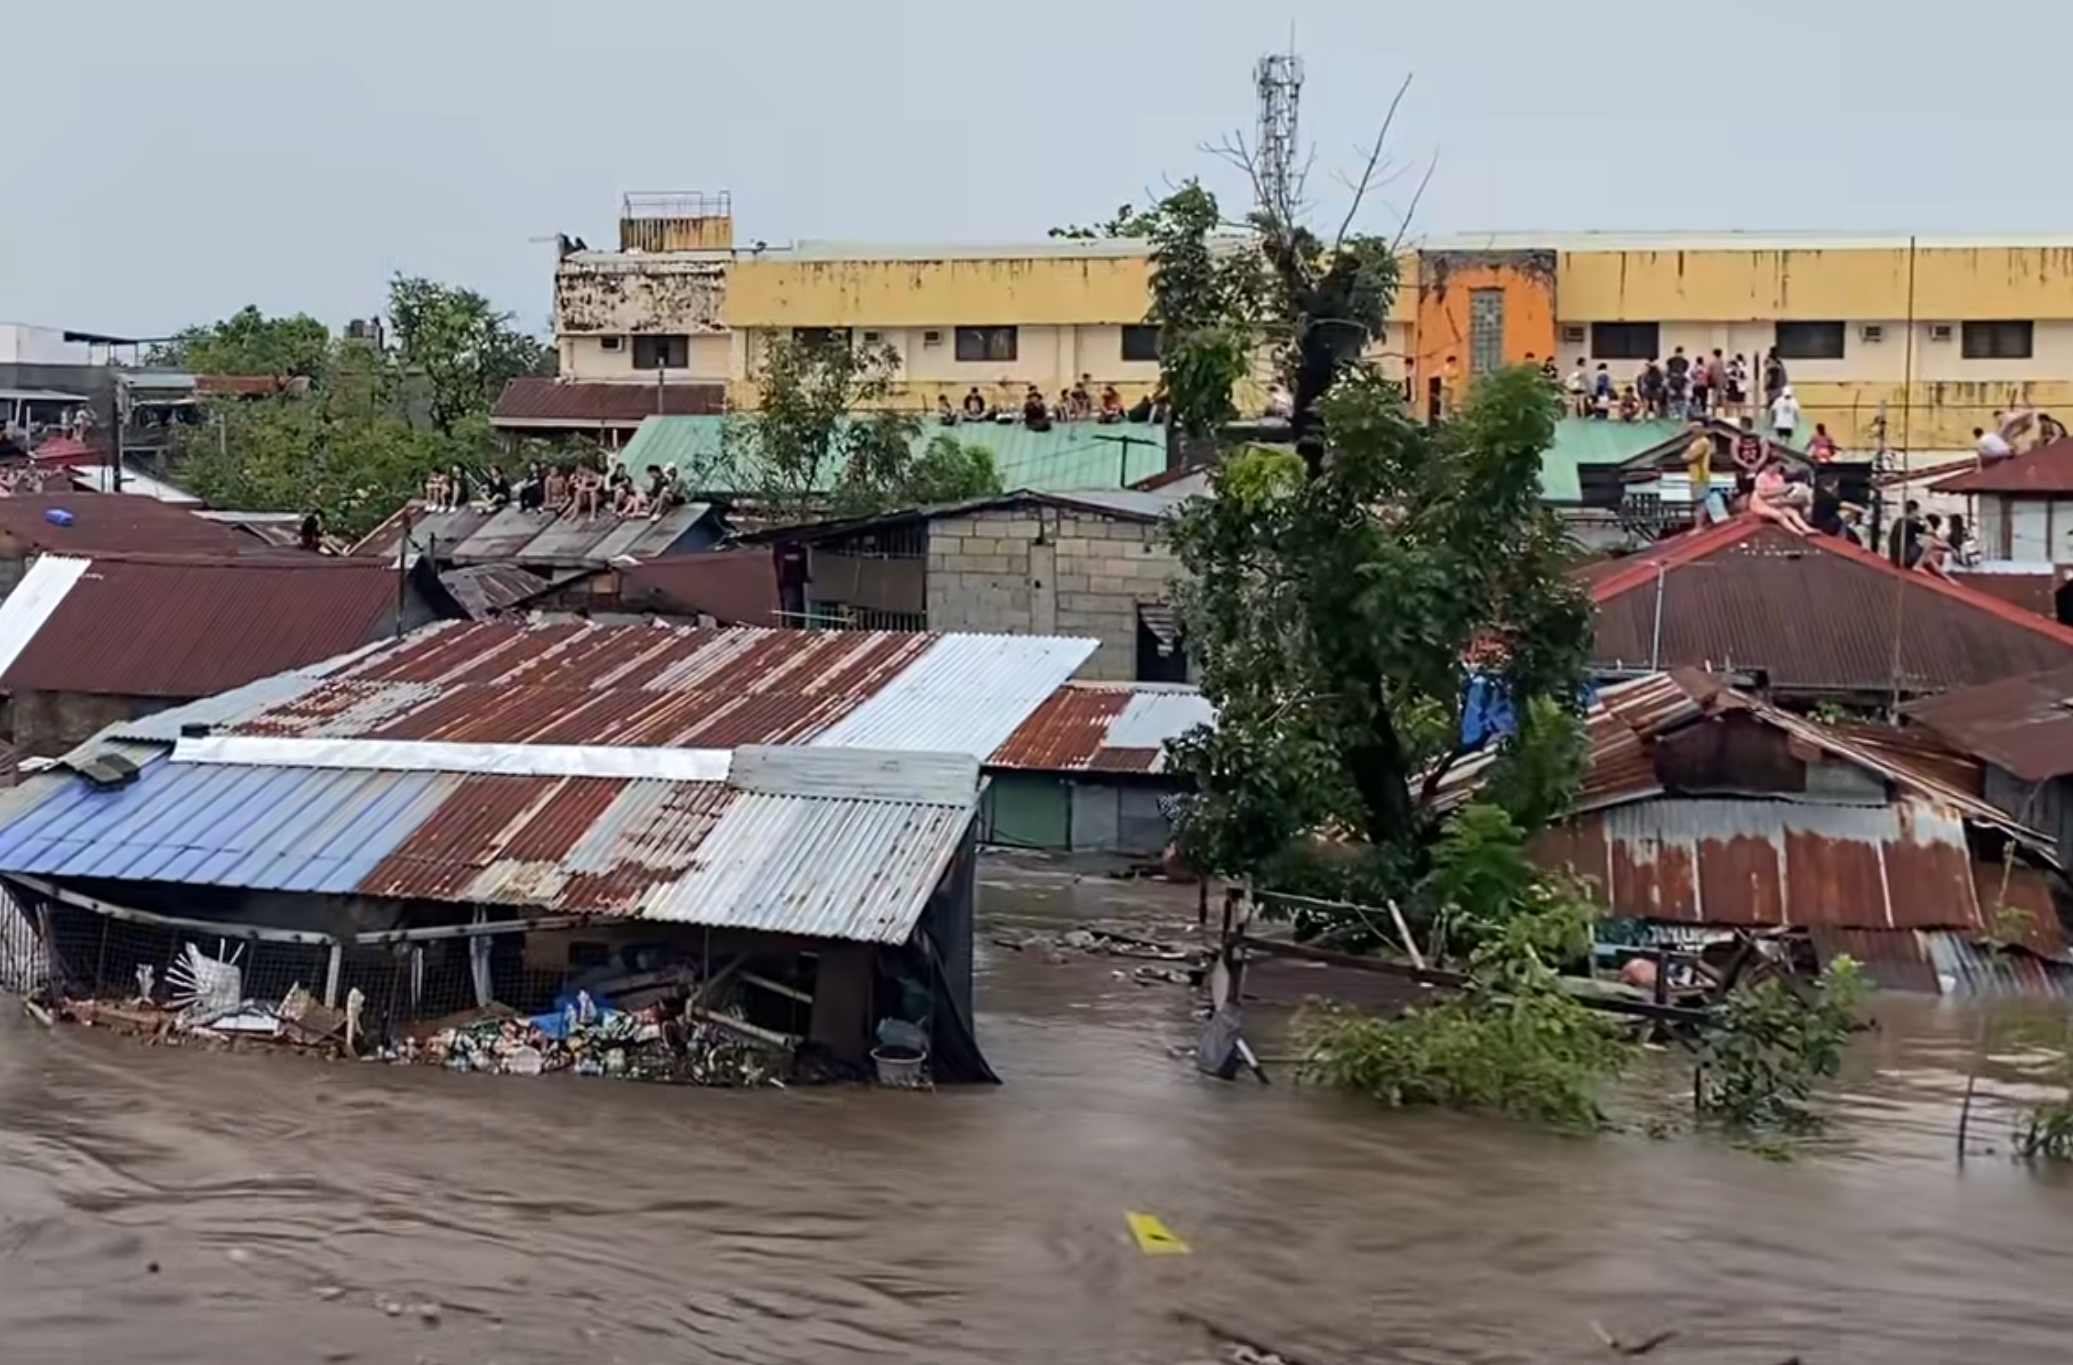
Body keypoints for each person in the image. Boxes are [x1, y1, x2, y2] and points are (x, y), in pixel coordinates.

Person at [1751, 454, 1816, 536]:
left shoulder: (1779, 477)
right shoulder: (1761, 477)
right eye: (1774, 466)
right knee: (1779, 515)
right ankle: (1797, 532)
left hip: (1776, 502)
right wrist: (1780, 492)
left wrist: (1786, 495)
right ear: (1767, 466)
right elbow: (1762, 494)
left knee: (1793, 512)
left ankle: (1806, 528)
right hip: (1762, 503)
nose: (1776, 468)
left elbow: (1782, 491)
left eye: (1778, 466)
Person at [1684, 420, 1717, 527]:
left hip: (1700, 475)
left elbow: (1688, 457)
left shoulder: (1702, 442)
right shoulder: (1696, 442)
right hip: (1695, 475)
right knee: (1697, 502)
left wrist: (1685, 455)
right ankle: (1698, 525)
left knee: (1700, 502)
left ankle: (1699, 526)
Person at [1887, 499, 1924, 568]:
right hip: (1904, 557)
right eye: (1918, 511)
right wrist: (1922, 520)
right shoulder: (1912, 523)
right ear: (1913, 511)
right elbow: (1925, 530)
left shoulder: (1899, 521)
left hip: (1893, 555)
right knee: (1923, 544)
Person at [1665, 347, 1691, 419]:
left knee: (1672, 398)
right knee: (1681, 398)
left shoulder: (1670, 361)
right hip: (1681, 381)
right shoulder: (1685, 362)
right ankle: (1681, 414)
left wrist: (1668, 381)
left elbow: (1668, 372)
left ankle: (1673, 414)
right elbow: (1685, 372)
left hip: (1672, 381)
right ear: (1682, 352)